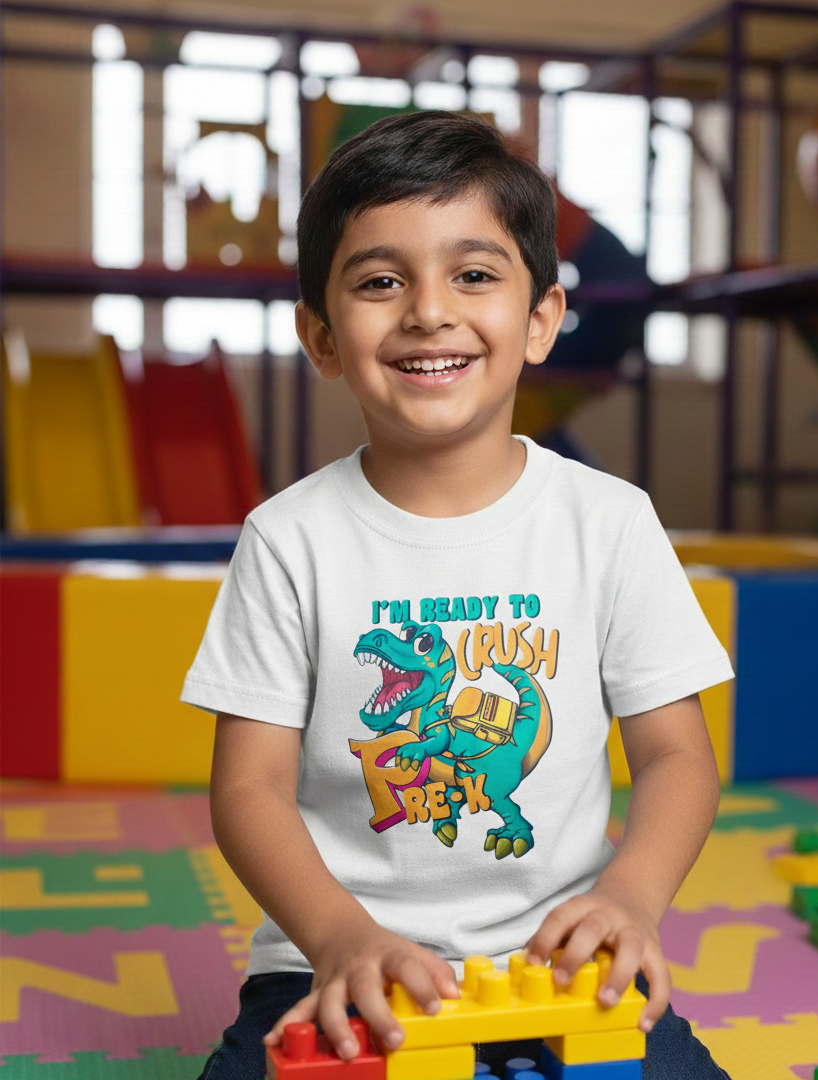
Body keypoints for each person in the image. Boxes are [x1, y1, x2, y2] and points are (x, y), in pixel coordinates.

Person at [182, 110, 734, 1080]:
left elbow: (677, 755)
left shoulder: (609, 522)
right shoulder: (289, 538)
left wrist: (630, 899)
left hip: (559, 956)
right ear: (320, 335)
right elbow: (248, 788)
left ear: (541, 320)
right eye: (380, 281)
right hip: (335, 957)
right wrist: (338, 937)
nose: (428, 311)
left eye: (474, 274)